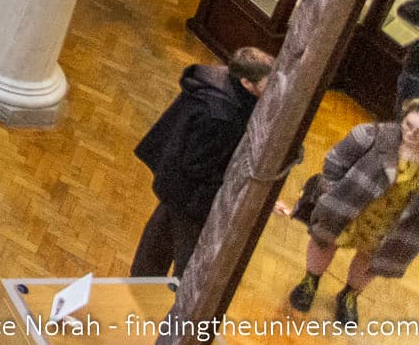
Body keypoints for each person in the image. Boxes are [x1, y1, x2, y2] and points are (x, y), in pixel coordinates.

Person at [130, 47, 275, 277]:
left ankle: (139, 285)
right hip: (192, 197)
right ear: (247, 82)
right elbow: (199, 166)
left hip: (175, 182)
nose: (273, 91)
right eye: (269, 84)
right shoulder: (223, 116)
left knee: (157, 242)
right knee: (189, 264)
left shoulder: (216, 81)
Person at [290, 98, 419, 326]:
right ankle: (310, 281)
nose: (412, 134)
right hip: (348, 207)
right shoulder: (371, 135)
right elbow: (334, 162)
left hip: (390, 223)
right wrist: (332, 194)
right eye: (409, 126)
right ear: (403, 118)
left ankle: (349, 295)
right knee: (325, 242)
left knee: (371, 261)